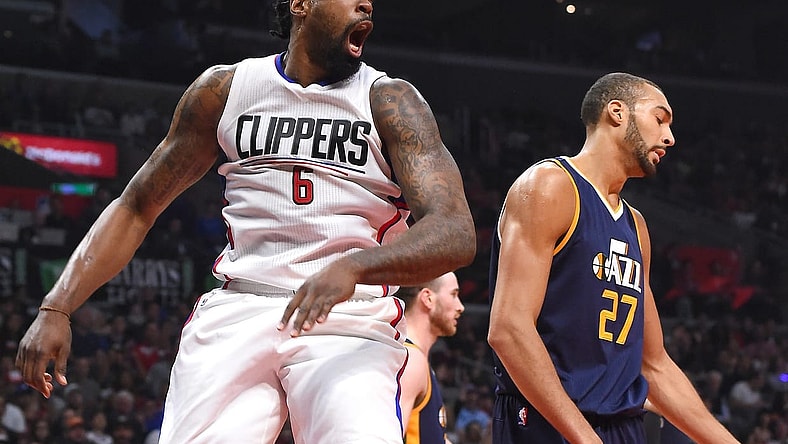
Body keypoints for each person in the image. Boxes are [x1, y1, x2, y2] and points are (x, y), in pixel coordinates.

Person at [14, 0, 476, 442]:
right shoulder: (226, 89)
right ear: (301, 4)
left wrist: (357, 266)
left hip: (349, 317)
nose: (367, 6)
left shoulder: (390, 101)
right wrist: (57, 307)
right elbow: (137, 206)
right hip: (242, 307)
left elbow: (455, 231)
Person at [487, 72, 739, 444]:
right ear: (617, 112)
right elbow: (509, 330)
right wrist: (585, 438)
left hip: (622, 426)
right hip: (549, 420)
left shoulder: (636, 226)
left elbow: (653, 364)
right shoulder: (551, 186)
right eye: (659, 118)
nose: (669, 137)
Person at [398, 271, 465, 444]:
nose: (460, 307)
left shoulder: (416, 358)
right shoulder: (410, 361)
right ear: (428, 298)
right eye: (454, 295)